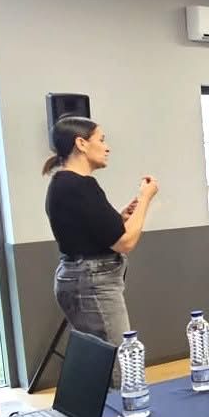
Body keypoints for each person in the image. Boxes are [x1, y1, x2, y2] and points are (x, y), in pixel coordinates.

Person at [43, 117, 158, 368]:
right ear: (81, 144)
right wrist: (145, 199)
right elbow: (125, 241)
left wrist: (120, 218)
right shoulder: (81, 185)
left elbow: (92, 232)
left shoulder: (62, 184)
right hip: (93, 282)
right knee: (120, 367)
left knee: (97, 365)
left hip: (76, 277)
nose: (107, 147)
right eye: (101, 140)